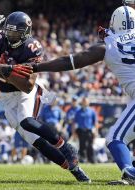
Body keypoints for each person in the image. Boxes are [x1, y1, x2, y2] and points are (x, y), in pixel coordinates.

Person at [28, 5, 135, 185]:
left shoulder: (108, 45)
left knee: (115, 138)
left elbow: (71, 61)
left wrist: (37, 67)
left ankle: (130, 174)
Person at [0, 11, 90, 182]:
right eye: (8, 32)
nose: (10, 36)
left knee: (27, 120)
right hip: (7, 96)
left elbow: (28, 86)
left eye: (15, 33)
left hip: (28, 92)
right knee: (36, 141)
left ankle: (67, 147)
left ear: (25, 33)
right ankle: (75, 170)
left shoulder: (31, 47)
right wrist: (8, 69)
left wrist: (5, 70)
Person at [74, 97, 97, 163]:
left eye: (85, 101)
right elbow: (74, 122)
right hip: (81, 131)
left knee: (90, 145)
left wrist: (96, 132)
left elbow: (95, 123)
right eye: (83, 101)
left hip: (89, 130)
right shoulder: (78, 111)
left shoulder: (92, 111)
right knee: (82, 145)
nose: (84, 102)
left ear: (88, 102)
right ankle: (82, 159)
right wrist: (74, 133)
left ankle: (91, 159)